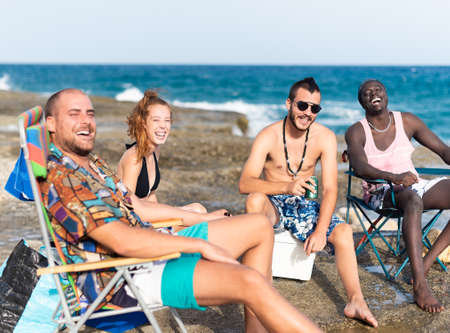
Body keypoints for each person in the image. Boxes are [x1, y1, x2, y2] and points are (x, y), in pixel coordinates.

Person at [39, 88, 321, 333]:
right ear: (50, 123)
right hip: (123, 277)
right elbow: (122, 240)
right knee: (248, 280)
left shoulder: (93, 164)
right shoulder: (64, 178)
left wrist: (200, 218)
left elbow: (136, 205)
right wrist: (198, 244)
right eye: (74, 114)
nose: (87, 121)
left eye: (90, 113)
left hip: (148, 249)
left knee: (259, 226)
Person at [239, 77, 378, 327]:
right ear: (289, 103)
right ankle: (262, 287)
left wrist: (322, 230)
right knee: (254, 200)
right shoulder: (268, 135)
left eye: (315, 108)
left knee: (345, 231)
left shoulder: (324, 137)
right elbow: (245, 182)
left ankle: (356, 301)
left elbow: (329, 188)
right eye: (302, 106)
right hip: (275, 202)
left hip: (305, 206)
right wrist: (286, 186)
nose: (308, 113)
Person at [345, 79, 450, 313]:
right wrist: (393, 177)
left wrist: (404, 179)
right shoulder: (356, 131)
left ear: (386, 93)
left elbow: (443, 151)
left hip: (412, 186)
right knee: (412, 199)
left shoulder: (408, 121)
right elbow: (360, 166)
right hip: (380, 192)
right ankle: (420, 286)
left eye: (377, 89)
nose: (373, 94)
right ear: (361, 101)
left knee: (413, 194)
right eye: (366, 92)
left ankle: (427, 261)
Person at [117, 90, 225, 218]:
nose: (163, 126)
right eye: (156, 120)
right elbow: (128, 208)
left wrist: (177, 213)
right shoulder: (134, 158)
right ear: (143, 123)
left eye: (167, 120)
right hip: (136, 223)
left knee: (197, 208)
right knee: (202, 216)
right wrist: (179, 215)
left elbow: (151, 196)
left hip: (149, 215)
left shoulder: (154, 151)